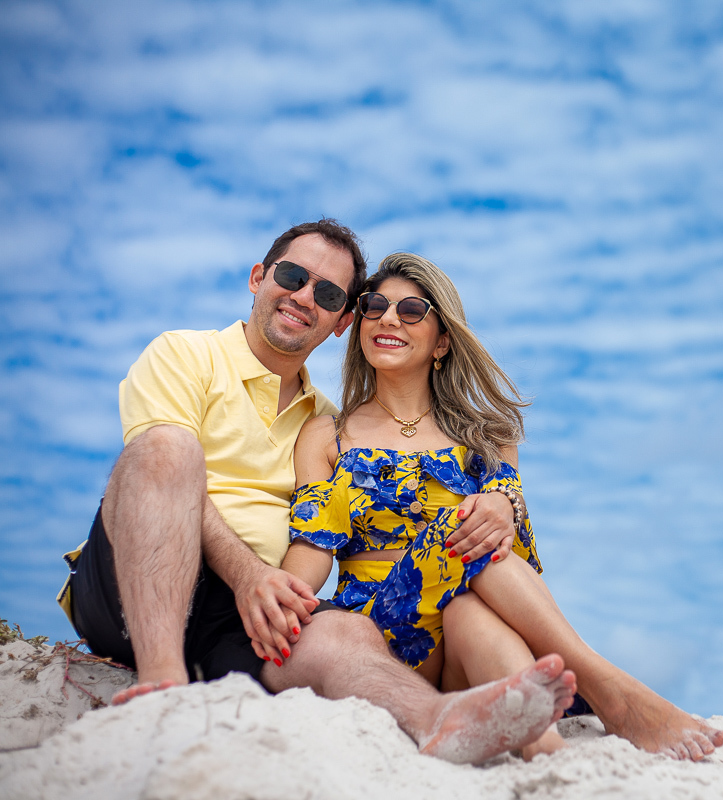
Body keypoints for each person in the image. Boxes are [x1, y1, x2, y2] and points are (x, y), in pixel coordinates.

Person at [57, 220, 576, 764]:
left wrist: (277, 594)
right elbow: (155, 475)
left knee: (346, 636)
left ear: (341, 321)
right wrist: (249, 574)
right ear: (258, 278)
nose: (304, 297)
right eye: (292, 276)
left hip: (247, 614)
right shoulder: (186, 354)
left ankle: (434, 719)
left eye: (328, 294)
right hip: (135, 583)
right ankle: (164, 689)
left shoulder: (326, 424)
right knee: (168, 448)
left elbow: (314, 546)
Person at [278, 252, 723, 761]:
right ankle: (608, 687)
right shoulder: (327, 435)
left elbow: (510, 530)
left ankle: (549, 756)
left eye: (411, 311)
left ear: (442, 341)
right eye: (375, 306)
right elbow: (312, 547)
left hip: (460, 651)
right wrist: (275, 599)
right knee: (468, 523)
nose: (388, 319)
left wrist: (502, 502)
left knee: (468, 604)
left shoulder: (487, 436)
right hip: (384, 641)